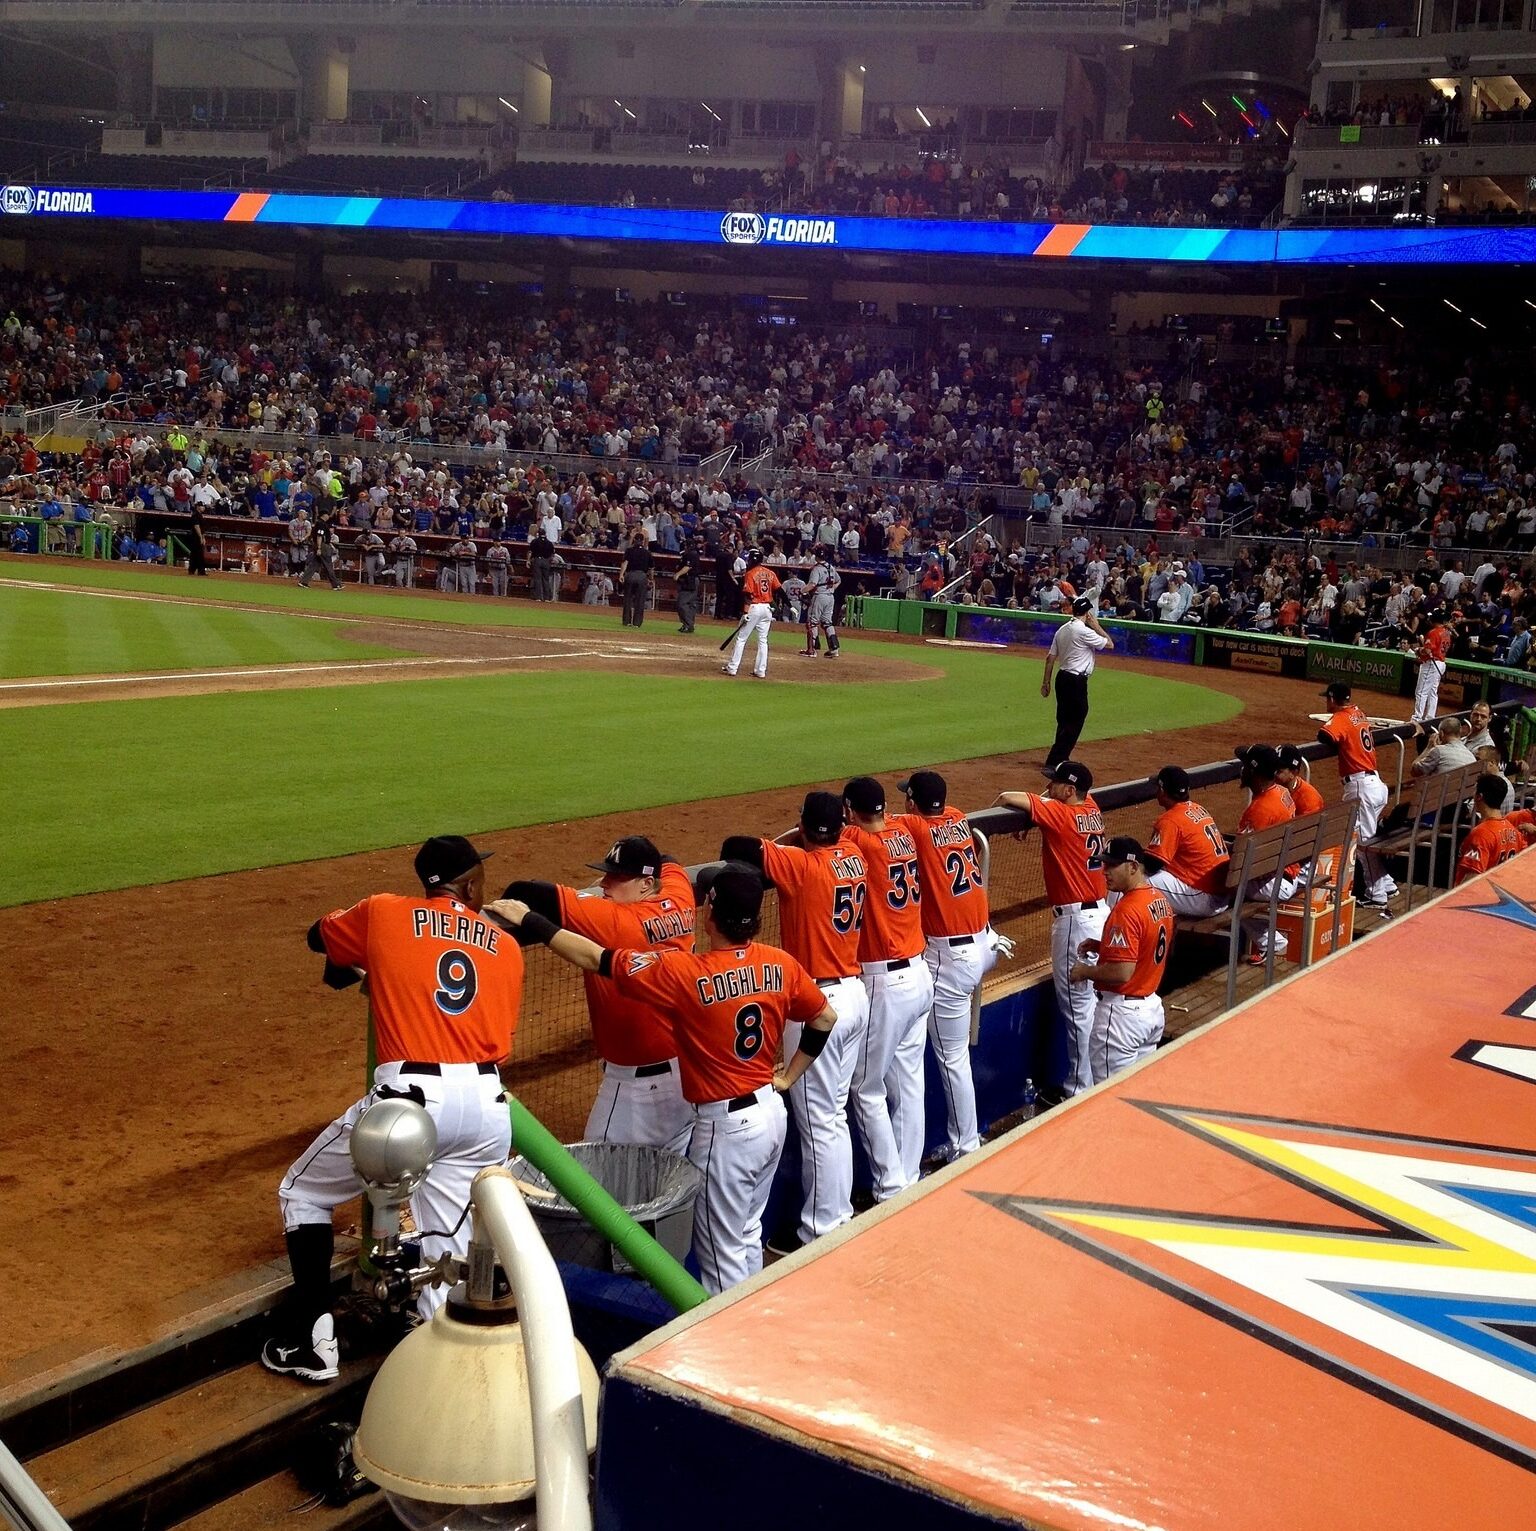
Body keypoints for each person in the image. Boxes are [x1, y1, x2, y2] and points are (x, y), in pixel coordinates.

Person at [487, 865, 837, 1295]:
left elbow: (592, 957)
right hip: (771, 1113)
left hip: (727, 1131)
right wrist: (788, 1077)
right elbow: (824, 1017)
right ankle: (756, 1317)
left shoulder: (684, 974)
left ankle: (730, 1348)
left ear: (710, 911)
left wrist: (530, 920)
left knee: (720, 1254)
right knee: (748, 1232)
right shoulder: (780, 964)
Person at [264, 836, 521, 1382]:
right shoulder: (507, 948)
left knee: (304, 1192)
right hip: (486, 1108)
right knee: (444, 1251)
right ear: (470, 885)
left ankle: (314, 1342)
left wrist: (358, 963)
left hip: (411, 1108)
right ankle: (447, 1386)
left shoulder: (384, 912)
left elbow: (319, 938)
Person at [721, 792, 871, 1246]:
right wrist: (806, 837)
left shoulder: (801, 866)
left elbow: (735, 846)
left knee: (820, 1122)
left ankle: (822, 1229)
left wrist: (791, 840)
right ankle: (836, 1214)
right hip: (854, 995)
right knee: (833, 1115)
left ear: (804, 826)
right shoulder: (854, 854)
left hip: (816, 1004)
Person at [499, 837, 696, 1151]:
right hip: (687, 1074)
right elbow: (669, 860)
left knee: (593, 1183)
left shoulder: (617, 922)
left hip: (636, 1092)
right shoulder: (681, 896)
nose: (604, 882)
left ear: (647, 883)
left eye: (616, 878)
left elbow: (525, 893)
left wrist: (529, 917)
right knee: (665, 1177)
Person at [894, 770, 1001, 1162]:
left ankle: (965, 1146)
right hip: (984, 942)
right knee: (952, 1051)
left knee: (951, 1057)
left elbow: (874, 825)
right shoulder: (957, 817)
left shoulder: (916, 828)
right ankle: (963, 1139)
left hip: (950, 959)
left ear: (911, 804)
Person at [839, 776, 935, 1198]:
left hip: (886, 981)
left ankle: (891, 1188)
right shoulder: (903, 833)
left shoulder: (859, 841)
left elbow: (821, 837)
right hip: (919, 973)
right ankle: (907, 1176)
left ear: (849, 810)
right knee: (909, 1078)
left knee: (866, 1087)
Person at [997, 760, 1108, 1097]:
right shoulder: (1090, 807)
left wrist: (1036, 812)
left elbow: (1005, 797)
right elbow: (1051, 803)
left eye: (1057, 784)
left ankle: (1079, 1089)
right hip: (1100, 914)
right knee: (1091, 1004)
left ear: (1070, 790)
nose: (1050, 787)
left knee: (1078, 1008)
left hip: (1076, 923)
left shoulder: (1060, 816)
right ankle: (1098, 1080)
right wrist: (1039, 816)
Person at [1069, 836, 1174, 1084]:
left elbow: (1121, 972)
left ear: (1133, 867)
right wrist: (1103, 946)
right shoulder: (1159, 900)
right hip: (1150, 1011)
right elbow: (1147, 945)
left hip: (1121, 1019)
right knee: (1136, 1092)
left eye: (1113, 866)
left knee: (1108, 1100)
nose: (1105, 872)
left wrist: (1085, 971)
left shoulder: (1127, 910)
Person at [1316, 682, 1394, 912]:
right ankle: (1386, 884)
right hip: (1374, 784)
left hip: (1361, 787)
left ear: (1332, 698)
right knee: (1363, 839)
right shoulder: (1358, 713)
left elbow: (1325, 736)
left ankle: (1377, 895)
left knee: (1362, 843)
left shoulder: (1341, 717)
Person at [1234, 745, 1298, 963]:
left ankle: (1271, 942)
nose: (1241, 770)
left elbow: (1242, 857)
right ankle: (1271, 942)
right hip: (1287, 873)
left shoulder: (1260, 809)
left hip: (1273, 881)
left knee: (1220, 894)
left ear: (1254, 772)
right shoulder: (1282, 792)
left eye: (1245, 766)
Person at [1143, 766, 1231, 918]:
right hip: (1223, 893)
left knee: (1134, 881)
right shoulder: (1199, 809)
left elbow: (1152, 865)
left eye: (1158, 787)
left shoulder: (1170, 820)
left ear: (1163, 791)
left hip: (1204, 898)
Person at [1042, 597, 1114, 772]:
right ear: (1088, 613)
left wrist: (1046, 682)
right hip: (1075, 680)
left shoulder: (1063, 629)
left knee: (1064, 719)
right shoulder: (1083, 631)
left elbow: (1050, 658)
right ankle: (1056, 760)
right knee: (1076, 718)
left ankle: (1060, 756)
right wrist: (1096, 625)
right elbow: (1110, 644)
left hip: (1062, 677)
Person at [722, 547, 782, 680]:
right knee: (763, 641)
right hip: (767, 609)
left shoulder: (750, 573)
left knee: (741, 638)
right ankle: (761, 671)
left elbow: (748, 595)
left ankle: (732, 668)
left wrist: (745, 612)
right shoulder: (770, 572)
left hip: (754, 607)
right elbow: (780, 590)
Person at [1455, 774, 1525, 884]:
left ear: (1479, 797)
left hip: (1480, 897)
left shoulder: (1481, 834)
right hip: (1499, 894)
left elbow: (1471, 879)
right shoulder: (1514, 831)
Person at [1411, 612, 1458, 723]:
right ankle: (1430, 717)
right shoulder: (1446, 633)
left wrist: (1418, 650)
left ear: (1434, 620)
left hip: (1432, 664)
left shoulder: (1434, 632)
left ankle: (1417, 718)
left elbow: (1427, 650)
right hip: (1440, 662)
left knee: (1421, 691)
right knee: (1432, 691)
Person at [803, 546, 842, 659]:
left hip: (819, 596)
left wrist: (802, 590)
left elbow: (812, 584)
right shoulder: (831, 567)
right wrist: (832, 589)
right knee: (827, 622)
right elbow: (838, 580)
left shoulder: (816, 569)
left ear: (816, 556)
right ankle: (834, 649)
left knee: (812, 622)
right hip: (830, 597)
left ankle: (812, 649)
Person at [1411, 715, 1477, 777]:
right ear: (1460, 732)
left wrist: (1428, 748)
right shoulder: (1471, 757)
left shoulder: (1438, 751)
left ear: (1442, 734)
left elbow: (1415, 771)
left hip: (1441, 788)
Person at [299, 510, 343, 591]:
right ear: (323, 515)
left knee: (314, 565)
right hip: (322, 546)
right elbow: (319, 536)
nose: (328, 516)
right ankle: (336, 585)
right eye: (327, 514)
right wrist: (319, 548)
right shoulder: (321, 523)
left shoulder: (319, 523)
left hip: (320, 545)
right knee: (328, 565)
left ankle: (303, 581)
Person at [1274, 747, 1325, 817]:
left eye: (1279, 771)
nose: (1273, 774)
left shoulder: (1308, 801)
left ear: (1293, 773)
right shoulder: (1272, 787)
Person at [620, 532, 653, 628]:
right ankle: (637, 623)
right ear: (643, 541)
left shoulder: (629, 550)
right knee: (640, 601)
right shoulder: (647, 552)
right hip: (642, 576)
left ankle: (627, 622)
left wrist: (621, 574)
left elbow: (625, 563)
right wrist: (651, 579)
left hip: (630, 574)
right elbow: (651, 569)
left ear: (634, 540)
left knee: (627, 600)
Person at [675, 541, 700, 633]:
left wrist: (678, 574)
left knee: (682, 603)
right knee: (690, 604)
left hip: (690, 581)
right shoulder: (688, 554)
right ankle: (688, 625)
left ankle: (688, 624)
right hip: (689, 580)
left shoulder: (691, 554)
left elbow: (688, 567)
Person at [528, 526, 556, 602]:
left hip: (538, 560)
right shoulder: (549, 543)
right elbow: (553, 554)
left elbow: (530, 552)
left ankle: (538, 597)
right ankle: (547, 598)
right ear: (545, 534)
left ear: (538, 534)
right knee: (546, 580)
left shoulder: (535, 541)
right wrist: (550, 560)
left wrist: (528, 560)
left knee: (537, 579)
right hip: (546, 561)